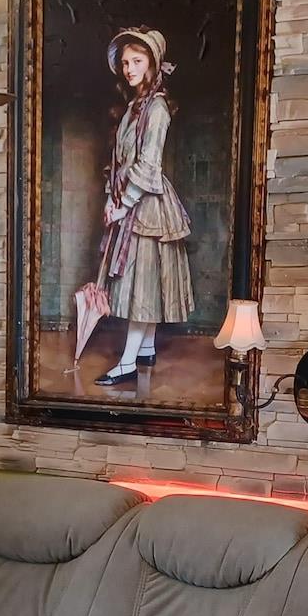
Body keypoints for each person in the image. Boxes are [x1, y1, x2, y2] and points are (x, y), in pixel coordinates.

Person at [93, 27, 194, 387]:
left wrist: (123, 204)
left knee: (142, 285)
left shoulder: (157, 108)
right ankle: (146, 347)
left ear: (152, 64)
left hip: (147, 206)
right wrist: (112, 196)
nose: (129, 69)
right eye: (125, 63)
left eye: (136, 61)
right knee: (143, 281)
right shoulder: (133, 107)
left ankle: (127, 363)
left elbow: (149, 163)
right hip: (129, 198)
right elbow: (119, 161)